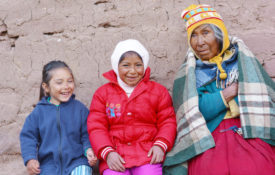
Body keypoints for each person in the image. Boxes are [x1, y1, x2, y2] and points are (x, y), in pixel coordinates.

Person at [163, 4, 275, 175]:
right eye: (193, 35)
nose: (199, 42)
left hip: (247, 130)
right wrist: (228, 93)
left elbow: (263, 100)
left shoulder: (244, 62)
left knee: (257, 166)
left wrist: (213, 99)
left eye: (205, 33)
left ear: (220, 34)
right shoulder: (188, 73)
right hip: (208, 135)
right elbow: (196, 111)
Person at [87, 39, 177, 175]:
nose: (133, 71)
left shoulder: (158, 92)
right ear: (116, 66)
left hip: (148, 155)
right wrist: (108, 152)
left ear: (145, 65)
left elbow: (167, 121)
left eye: (138, 65)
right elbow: (96, 127)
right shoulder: (102, 94)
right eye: (126, 65)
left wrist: (160, 145)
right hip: (115, 156)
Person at [20, 60, 97, 175]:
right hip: (48, 166)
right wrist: (30, 159)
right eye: (59, 82)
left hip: (77, 162)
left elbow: (87, 133)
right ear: (46, 87)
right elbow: (28, 137)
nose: (66, 86)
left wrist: (88, 149)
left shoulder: (79, 109)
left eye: (70, 81)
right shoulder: (39, 112)